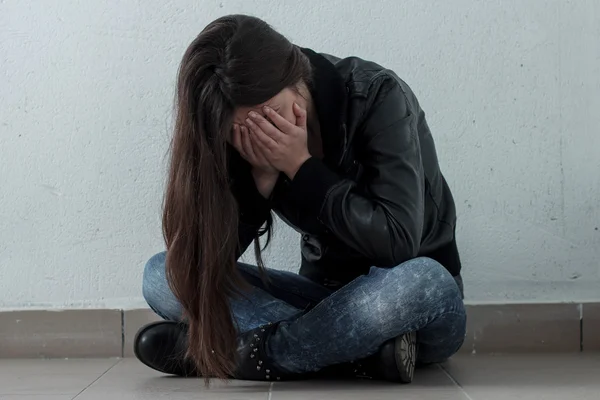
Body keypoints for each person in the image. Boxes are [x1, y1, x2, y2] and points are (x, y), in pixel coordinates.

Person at [134, 14, 466, 384]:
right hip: (321, 300)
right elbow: (207, 264)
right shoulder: (233, 130)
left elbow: (399, 245)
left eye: (271, 119)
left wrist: (302, 167)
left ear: (297, 75)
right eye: (246, 131)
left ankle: (245, 354)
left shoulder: (378, 95)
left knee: (423, 279)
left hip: (409, 308)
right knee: (162, 275)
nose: (264, 136)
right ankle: (350, 357)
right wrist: (259, 186)